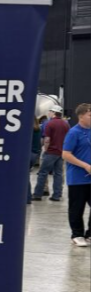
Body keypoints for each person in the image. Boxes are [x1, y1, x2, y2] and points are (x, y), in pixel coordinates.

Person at [62, 103, 91, 247]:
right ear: (81, 116)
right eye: (90, 115)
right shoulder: (74, 132)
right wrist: (85, 165)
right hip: (77, 179)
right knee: (77, 208)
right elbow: (66, 154)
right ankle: (77, 234)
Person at [32, 105, 69, 202]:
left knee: (43, 173)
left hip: (51, 152)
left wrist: (46, 150)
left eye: (50, 111)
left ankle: (37, 195)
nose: (49, 113)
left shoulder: (49, 124)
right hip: (61, 152)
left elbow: (47, 139)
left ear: (53, 112)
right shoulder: (66, 124)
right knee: (58, 174)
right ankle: (57, 195)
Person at [27, 117, 42, 204]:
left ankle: (27, 198)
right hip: (35, 154)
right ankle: (28, 197)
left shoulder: (29, 129)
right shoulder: (38, 129)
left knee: (25, 177)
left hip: (28, 153)